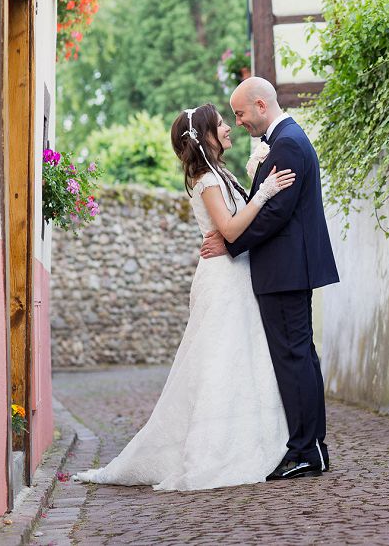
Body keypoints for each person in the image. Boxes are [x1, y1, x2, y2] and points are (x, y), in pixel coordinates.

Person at [73, 104, 295, 491]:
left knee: (243, 357)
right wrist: (263, 194)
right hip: (222, 279)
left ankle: (261, 440)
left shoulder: (219, 173)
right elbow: (227, 229)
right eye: (222, 124)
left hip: (236, 275)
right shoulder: (206, 178)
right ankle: (216, 449)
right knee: (219, 361)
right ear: (206, 134)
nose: (229, 128)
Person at [200, 77, 339, 480]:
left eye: (241, 113)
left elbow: (275, 214)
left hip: (285, 269)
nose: (238, 121)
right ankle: (313, 447)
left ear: (261, 105)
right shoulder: (285, 141)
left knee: (294, 359)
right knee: (301, 357)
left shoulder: (288, 144)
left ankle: (305, 451)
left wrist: (231, 245)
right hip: (288, 268)